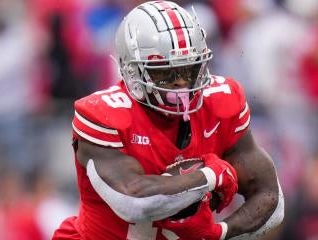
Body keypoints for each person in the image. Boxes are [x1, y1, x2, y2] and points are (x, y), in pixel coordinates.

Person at [53, 1, 284, 240]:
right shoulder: (102, 113)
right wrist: (210, 176)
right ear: (132, 71)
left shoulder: (221, 101)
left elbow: (270, 198)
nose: (181, 83)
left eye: (188, 69)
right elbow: (135, 202)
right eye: (165, 73)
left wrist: (221, 232)